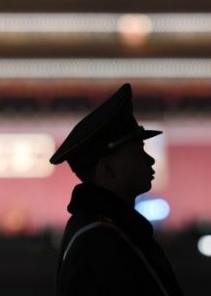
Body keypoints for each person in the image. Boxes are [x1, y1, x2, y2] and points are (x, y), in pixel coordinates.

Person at [50, 83, 184, 296]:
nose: (150, 160)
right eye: (138, 153)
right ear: (108, 168)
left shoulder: (108, 228)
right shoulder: (98, 243)